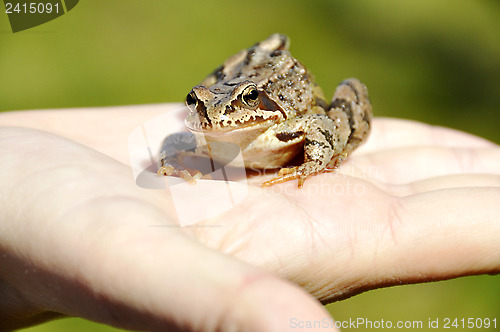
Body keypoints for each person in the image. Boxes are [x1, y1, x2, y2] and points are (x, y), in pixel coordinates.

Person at [0, 104, 499, 331]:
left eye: (233, 109)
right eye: (200, 107)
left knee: (336, 130)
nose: (212, 118)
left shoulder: (279, 118)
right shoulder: (203, 129)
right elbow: (177, 143)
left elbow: (320, 123)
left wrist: (314, 158)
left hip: (287, 106)